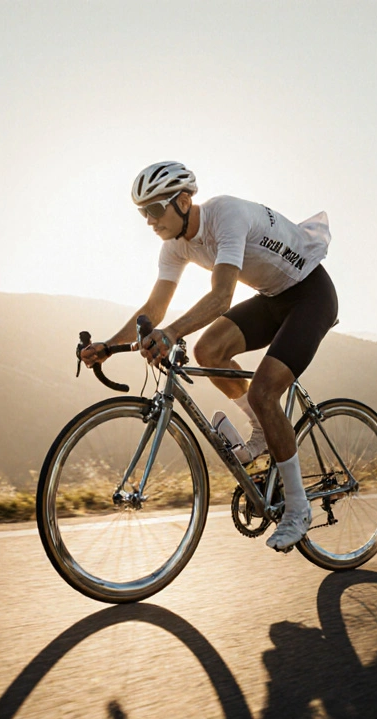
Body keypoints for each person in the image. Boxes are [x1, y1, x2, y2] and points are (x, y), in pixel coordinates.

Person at [79, 161, 338, 552]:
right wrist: (109, 347)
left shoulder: (226, 215)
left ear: (183, 201)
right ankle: (261, 434)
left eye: (154, 209)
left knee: (266, 391)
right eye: (142, 212)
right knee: (208, 350)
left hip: (311, 295)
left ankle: (299, 510)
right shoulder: (173, 247)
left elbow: (221, 297)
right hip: (272, 299)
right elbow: (155, 306)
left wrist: (169, 335)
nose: (149, 221)